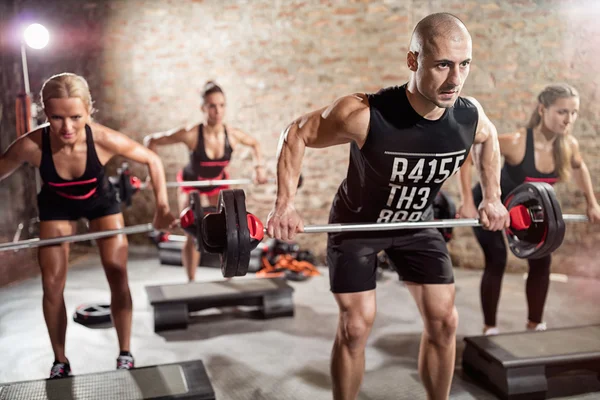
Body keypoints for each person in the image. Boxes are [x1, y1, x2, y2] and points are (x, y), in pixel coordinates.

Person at [266, 13, 510, 400]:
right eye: (442, 64)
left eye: (464, 65)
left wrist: (492, 197)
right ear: (413, 61)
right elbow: (295, 134)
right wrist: (284, 205)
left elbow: (489, 137)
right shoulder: (364, 113)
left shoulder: (468, 116)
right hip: (357, 227)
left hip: (417, 225)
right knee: (356, 326)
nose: (455, 79)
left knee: (445, 322)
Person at [0, 72, 176, 378]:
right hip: (57, 204)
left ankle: (125, 352)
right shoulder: (31, 145)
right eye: (57, 118)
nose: (67, 127)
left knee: (117, 272)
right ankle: (60, 361)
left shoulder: (104, 139)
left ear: (88, 111)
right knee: (52, 284)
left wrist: (162, 207)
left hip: (101, 202)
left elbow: (152, 160)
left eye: (76, 117)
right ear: (45, 112)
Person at [458, 83, 600, 336]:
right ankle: (490, 328)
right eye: (562, 112)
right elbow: (471, 153)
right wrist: (468, 201)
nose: (569, 119)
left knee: (542, 260)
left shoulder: (569, 146)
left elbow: (579, 168)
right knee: (497, 259)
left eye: (574, 113)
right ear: (542, 109)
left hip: (529, 213)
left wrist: (592, 202)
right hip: (492, 206)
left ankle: (534, 325)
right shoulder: (517, 142)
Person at [143, 81, 268, 282]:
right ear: (203, 108)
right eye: (212, 106)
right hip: (192, 184)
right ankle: (191, 281)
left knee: (230, 230)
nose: (217, 111)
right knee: (191, 230)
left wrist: (258, 168)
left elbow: (255, 144)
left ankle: (229, 276)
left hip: (217, 183)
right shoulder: (191, 133)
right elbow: (151, 140)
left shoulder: (233, 135)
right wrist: (151, 175)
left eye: (221, 105)